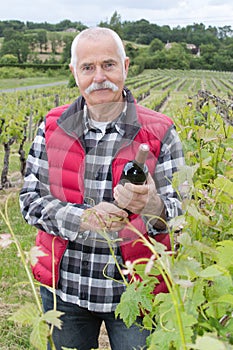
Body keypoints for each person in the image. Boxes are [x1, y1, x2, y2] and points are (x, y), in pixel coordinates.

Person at [19, 27, 185, 350]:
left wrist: (151, 205)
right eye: (88, 67)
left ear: (125, 66)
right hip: (65, 289)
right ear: (74, 73)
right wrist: (83, 218)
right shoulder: (51, 127)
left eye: (108, 65)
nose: (99, 77)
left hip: (137, 292)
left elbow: (180, 216)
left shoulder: (160, 132)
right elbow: (29, 200)